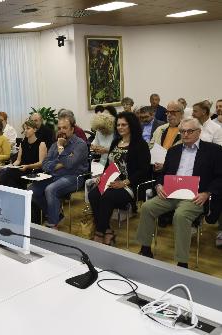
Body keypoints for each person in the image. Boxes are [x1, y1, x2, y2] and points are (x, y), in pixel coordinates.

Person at [136, 118, 222, 268]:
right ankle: (145, 248)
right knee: (147, 207)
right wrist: (159, 185)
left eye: (190, 131)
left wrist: (207, 193)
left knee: (180, 215)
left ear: (199, 132)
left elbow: (220, 177)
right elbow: (163, 173)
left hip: (195, 196)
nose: (186, 134)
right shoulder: (173, 151)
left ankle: (182, 262)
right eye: (182, 131)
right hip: (171, 193)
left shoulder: (213, 151)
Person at [88, 112, 151, 245]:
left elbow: (144, 171)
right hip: (110, 181)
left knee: (106, 196)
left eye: (124, 125)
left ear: (131, 125)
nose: (120, 127)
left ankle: (99, 232)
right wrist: (101, 176)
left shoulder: (140, 145)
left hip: (130, 185)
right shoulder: (116, 142)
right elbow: (109, 164)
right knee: (93, 194)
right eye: (118, 125)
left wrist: (124, 182)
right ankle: (108, 231)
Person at [29, 114, 88, 229]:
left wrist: (61, 148)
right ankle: (55, 214)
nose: (61, 131)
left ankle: (52, 223)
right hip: (53, 175)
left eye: (65, 128)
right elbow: (45, 165)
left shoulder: (80, 144)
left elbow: (70, 164)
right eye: (59, 128)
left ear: (72, 129)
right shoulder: (54, 145)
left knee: (51, 189)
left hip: (74, 177)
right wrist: (60, 164)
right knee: (31, 190)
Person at [0, 120, 47, 189]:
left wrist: (27, 166)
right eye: (24, 129)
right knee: (9, 173)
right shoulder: (23, 143)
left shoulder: (41, 144)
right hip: (22, 168)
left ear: (35, 129)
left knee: (9, 176)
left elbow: (41, 163)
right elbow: (18, 161)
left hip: (33, 170)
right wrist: (11, 166)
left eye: (28, 128)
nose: (25, 131)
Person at [150, 101, 184, 172]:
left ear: (181, 113)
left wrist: (166, 165)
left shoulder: (186, 131)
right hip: (157, 169)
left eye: (172, 112)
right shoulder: (160, 129)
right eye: (167, 112)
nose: (169, 115)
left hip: (177, 170)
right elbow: (151, 147)